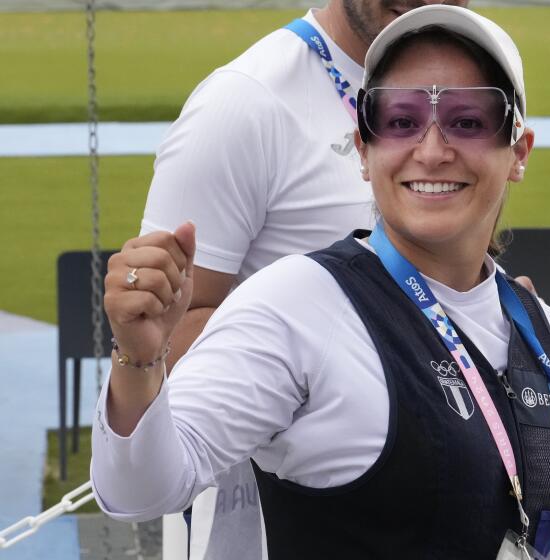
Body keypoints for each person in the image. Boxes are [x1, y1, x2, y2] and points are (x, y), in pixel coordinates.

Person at [93, 6, 550, 559]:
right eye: (399, 120)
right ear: (362, 148)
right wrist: (139, 361)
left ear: (518, 152)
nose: (431, 151)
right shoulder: (295, 301)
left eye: (468, 119)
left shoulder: (541, 330)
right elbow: (137, 490)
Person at [142, 1, 466, 556]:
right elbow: (164, 336)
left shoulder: (470, 87)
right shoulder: (245, 100)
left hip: (431, 497)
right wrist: (341, 355)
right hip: (271, 523)